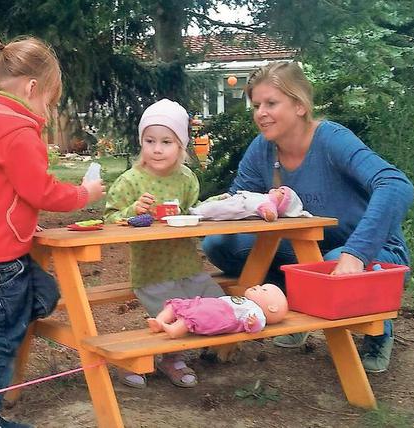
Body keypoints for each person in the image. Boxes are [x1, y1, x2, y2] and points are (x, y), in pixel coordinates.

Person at [201, 61, 414, 373]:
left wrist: (356, 254)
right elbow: (240, 203)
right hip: (306, 249)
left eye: (271, 103)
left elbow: (396, 185)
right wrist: (205, 211)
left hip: (372, 251)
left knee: (336, 257)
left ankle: (379, 330)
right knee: (220, 244)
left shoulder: (331, 140)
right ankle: (292, 302)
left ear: (300, 106)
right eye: (257, 105)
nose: (261, 113)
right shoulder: (263, 149)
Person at [0, 27, 106, 428]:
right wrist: (85, 193)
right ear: (33, 87)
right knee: (1, 341)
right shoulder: (18, 133)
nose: (49, 111)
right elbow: (41, 191)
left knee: (44, 292)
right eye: (50, 100)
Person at [103, 99, 225, 388]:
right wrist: (133, 211)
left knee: (218, 303)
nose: (157, 149)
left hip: (187, 266)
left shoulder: (187, 179)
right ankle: (161, 359)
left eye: (167, 141)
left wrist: (212, 209)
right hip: (152, 271)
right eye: (150, 140)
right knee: (169, 315)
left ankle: (194, 352)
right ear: (141, 142)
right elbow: (109, 220)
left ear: (180, 146)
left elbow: (193, 211)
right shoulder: (131, 181)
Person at [148, 283, 288, 338]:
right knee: (178, 304)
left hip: (222, 316)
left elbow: (257, 327)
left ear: (272, 308)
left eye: (263, 289)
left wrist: (253, 324)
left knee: (197, 316)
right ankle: (159, 322)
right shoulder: (247, 301)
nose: (257, 285)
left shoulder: (256, 311)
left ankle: (175, 330)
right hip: (213, 305)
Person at [189, 185, 309, 221]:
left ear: (283, 204)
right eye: (279, 188)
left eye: (282, 193)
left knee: (217, 209)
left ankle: (198, 213)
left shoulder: (269, 203)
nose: (278, 190)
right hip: (238, 199)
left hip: (239, 207)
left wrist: (269, 214)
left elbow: (270, 213)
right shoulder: (266, 197)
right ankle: (199, 208)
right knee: (217, 204)